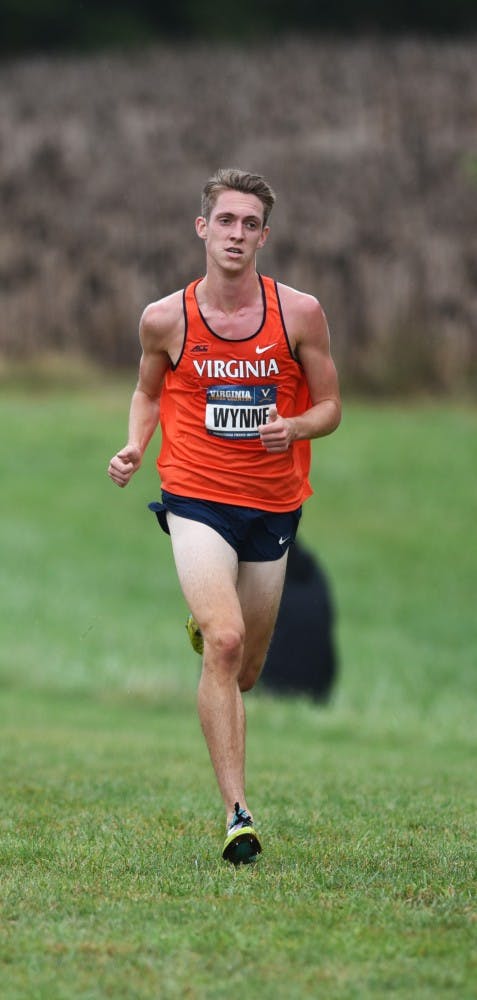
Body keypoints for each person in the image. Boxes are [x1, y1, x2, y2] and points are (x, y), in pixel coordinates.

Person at [108, 168, 341, 865]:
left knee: (245, 671)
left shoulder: (299, 314)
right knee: (228, 640)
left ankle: (210, 629)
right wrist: (135, 444)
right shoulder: (164, 318)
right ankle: (238, 813)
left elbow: (331, 407)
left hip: (272, 503)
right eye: (226, 221)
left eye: (250, 224)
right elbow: (147, 392)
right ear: (202, 228)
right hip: (196, 497)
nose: (237, 234)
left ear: (263, 236)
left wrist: (295, 427)